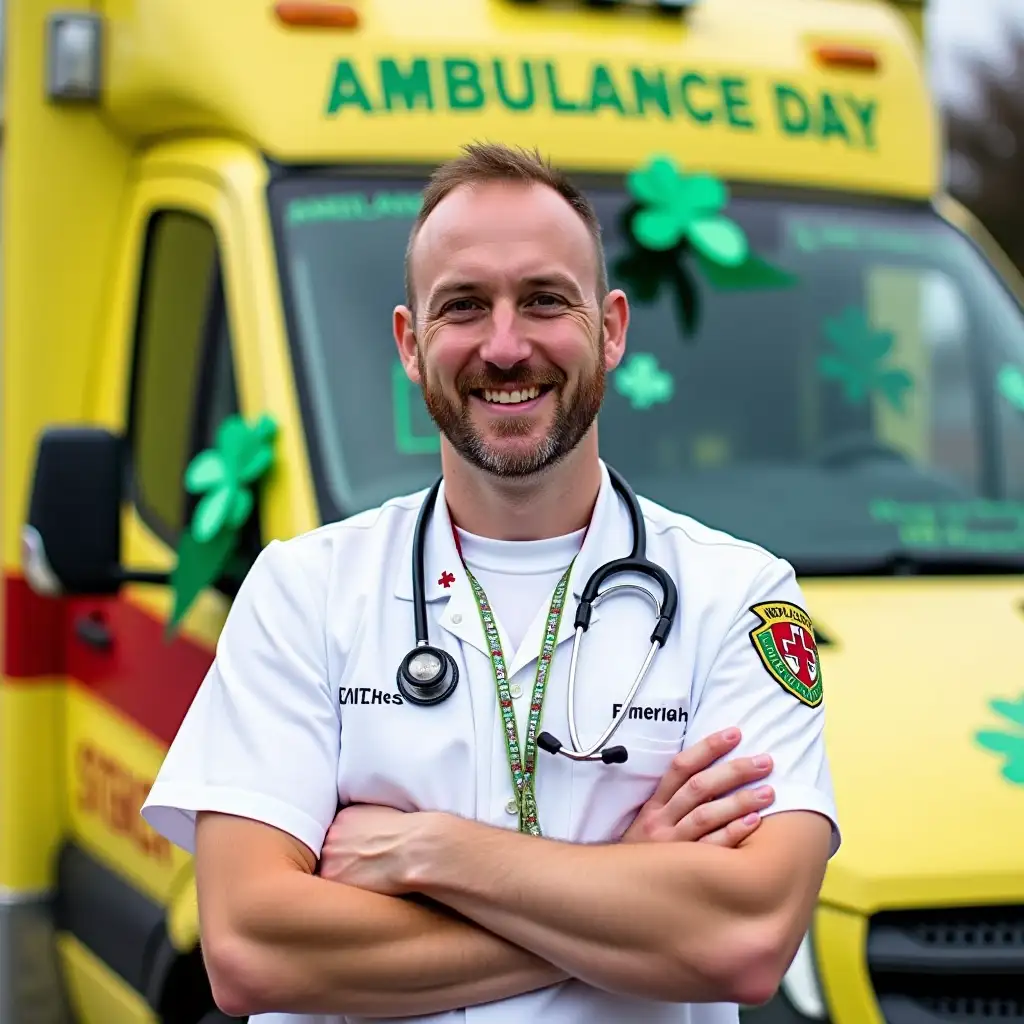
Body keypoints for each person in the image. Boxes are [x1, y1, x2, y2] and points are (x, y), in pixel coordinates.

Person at [141, 142, 840, 1024]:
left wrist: (435, 853)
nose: (505, 347)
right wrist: (629, 889)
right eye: (464, 306)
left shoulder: (737, 598)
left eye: (545, 300)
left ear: (612, 328)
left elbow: (742, 941)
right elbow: (250, 950)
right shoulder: (301, 590)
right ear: (409, 342)